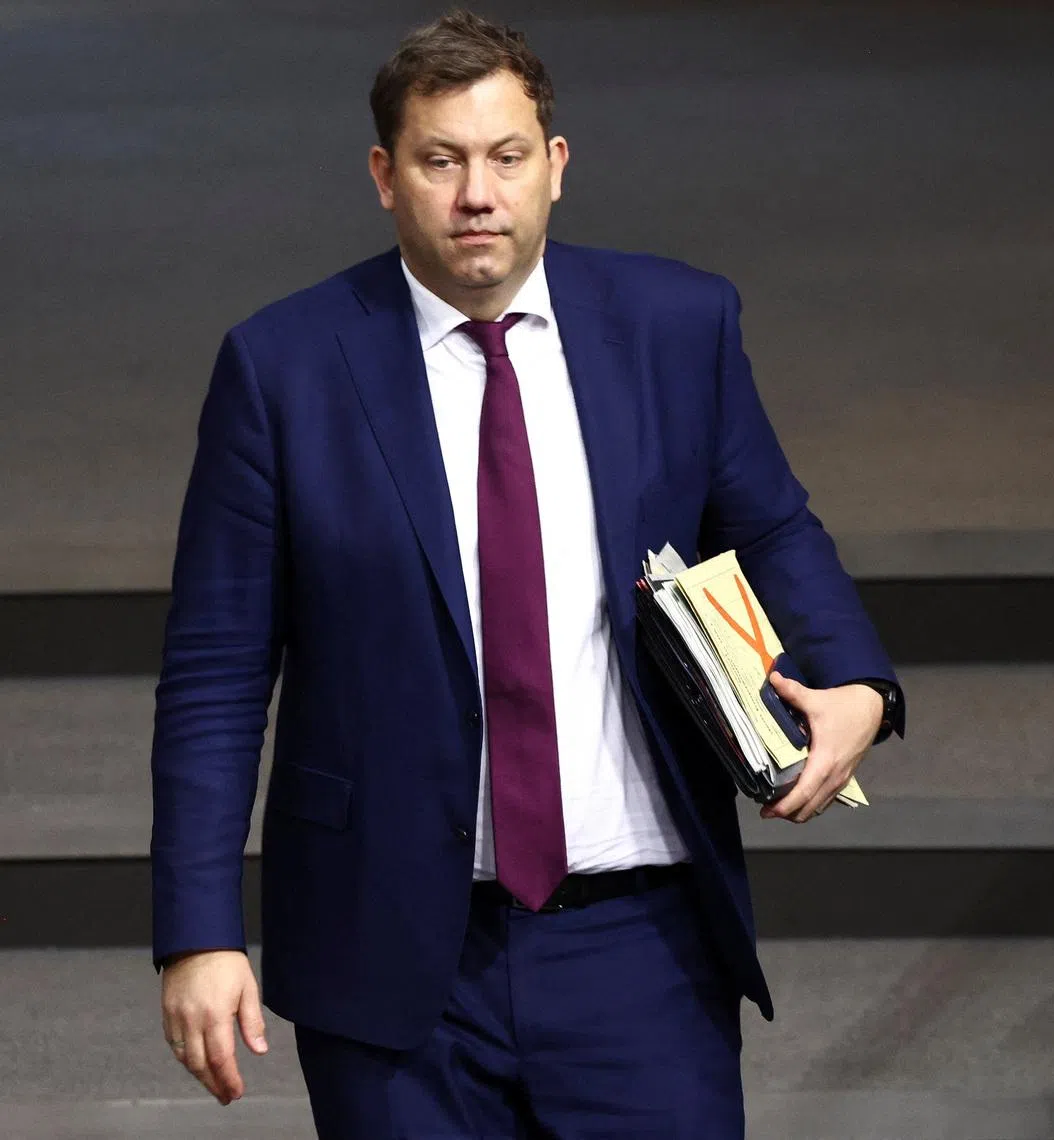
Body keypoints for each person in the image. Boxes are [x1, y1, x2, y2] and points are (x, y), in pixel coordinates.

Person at [150, 9, 904, 1138]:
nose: (477, 196)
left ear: (554, 165)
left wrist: (858, 681)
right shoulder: (284, 366)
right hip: (393, 954)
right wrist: (199, 930)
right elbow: (215, 673)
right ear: (383, 176)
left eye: (506, 157)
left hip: (642, 947)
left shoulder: (674, 324)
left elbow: (776, 529)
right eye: (440, 161)